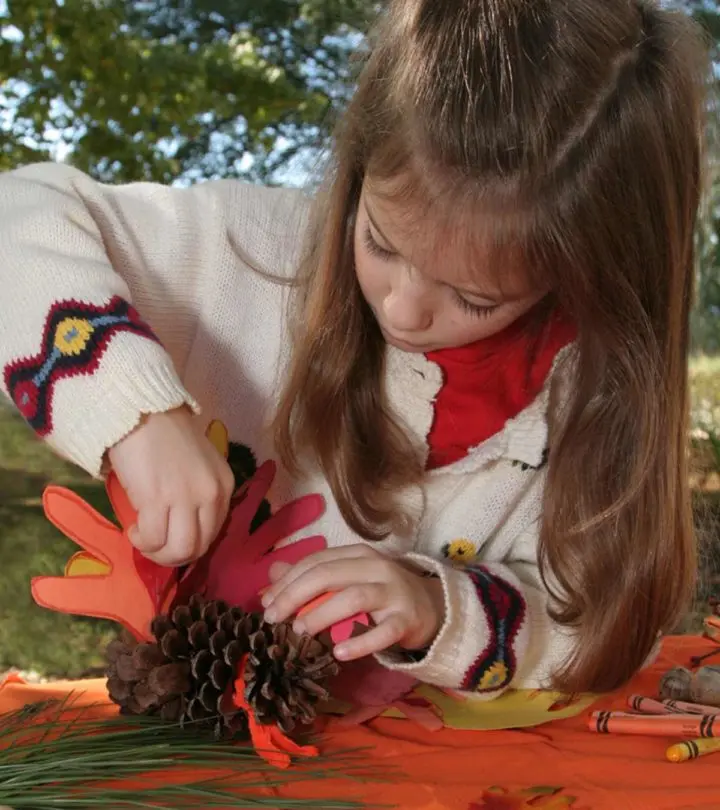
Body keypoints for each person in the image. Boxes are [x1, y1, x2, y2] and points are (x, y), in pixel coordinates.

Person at [0, 0, 708, 699]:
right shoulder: (253, 255)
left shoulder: (589, 397)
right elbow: (16, 219)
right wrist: (132, 411)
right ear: (358, 171)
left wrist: (439, 610)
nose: (402, 307)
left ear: (582, 274)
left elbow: (599, 626)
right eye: (380, 242)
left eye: (475, 299)